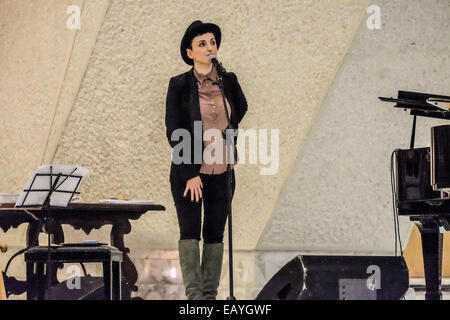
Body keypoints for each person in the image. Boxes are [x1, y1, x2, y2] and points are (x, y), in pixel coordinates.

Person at [165, 20, 248, 300]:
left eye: (212, 42)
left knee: (215, 232)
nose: (209, 47)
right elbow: (174, 130)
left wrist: (227, 138)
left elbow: (240, 108)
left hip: (223, 171)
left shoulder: (228, 81)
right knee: (191, 231)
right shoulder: (179, 85)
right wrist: (189, 172)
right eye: (202, 44)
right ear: (190, 52)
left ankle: (210, 298)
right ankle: (195, 298)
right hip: (190, 173)